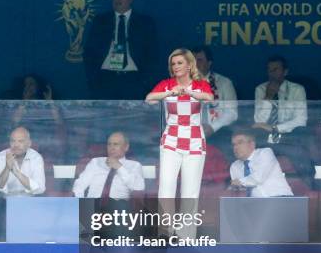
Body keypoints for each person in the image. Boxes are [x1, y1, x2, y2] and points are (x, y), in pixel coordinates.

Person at [145, 48, 214, 238]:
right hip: (171, 140)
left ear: (189, 65)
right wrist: (168, 93)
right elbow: (149, 98)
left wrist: (191, 93)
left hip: (194, 142)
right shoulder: (166, 84)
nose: (176, 67)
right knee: (166, 186)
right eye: (173, 64)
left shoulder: (201, 85)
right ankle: (165, 233)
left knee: (190, 191)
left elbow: (209, 98)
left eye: (180, 63)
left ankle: (186, 237)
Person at [252, 55, 314, 185]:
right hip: (266, 139)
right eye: (270, 70)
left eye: (276, 69)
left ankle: (310, 190)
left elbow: (301, 120)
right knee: (253, 157)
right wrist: (268, 97)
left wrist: (275, 128)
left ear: (285, 72)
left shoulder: (297, 89)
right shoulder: (261, 89)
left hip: (289, 138)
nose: (272, 73)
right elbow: (258, 120)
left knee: (300, 155)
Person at [84, 0, 156, 100]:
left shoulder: (144, 23)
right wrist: (93, 79)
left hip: (134, 80)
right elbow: (89, 52)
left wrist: (145, 81)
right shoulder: (100, 21)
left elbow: (152, 54)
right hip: (105, 80)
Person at [0, 127, 45, 241]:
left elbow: (39, 188)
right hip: (5, 203)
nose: (16, 145)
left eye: (20, 141)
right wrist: (7, 168)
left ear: (29, 143)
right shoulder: (1, 157)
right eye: (13, 141)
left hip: (29, 202)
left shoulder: (36, 158)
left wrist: (16, 172)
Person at [5, 74, 67, 162]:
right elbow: (14, 122)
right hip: (24, 142)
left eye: (31, 84)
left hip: (45, 141)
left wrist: (50, 102)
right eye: (26, 85)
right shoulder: (19, 104)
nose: (28, 87)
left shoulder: (46, 105)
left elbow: (59, 122)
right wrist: (24, 101)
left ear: (38, 86)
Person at [73, 131, 144, 199]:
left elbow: (138, 187)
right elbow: (79, 185)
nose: (111, 148)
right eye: (109, 144)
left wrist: (119, 167)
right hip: (93, 206)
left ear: (126, 147)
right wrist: (82, 204)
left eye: (116, 144)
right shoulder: (96, 162)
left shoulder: (134, 165)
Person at [191, 46, 238, 139]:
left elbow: (232, 112)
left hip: (218, 134)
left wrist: (212, 127)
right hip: (188, 135)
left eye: (199, 60)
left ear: (209, 63)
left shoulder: (224, 83)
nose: (195, 64)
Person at [229, 129, 293, 197]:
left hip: (281, 199)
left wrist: (240, 182)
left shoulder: (265, 153)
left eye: (240, 142)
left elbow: (258, 178)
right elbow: (238, 190)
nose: (235, 147)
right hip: (255, 204)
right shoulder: (234, 166)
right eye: (234, 144)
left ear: (252, 144)